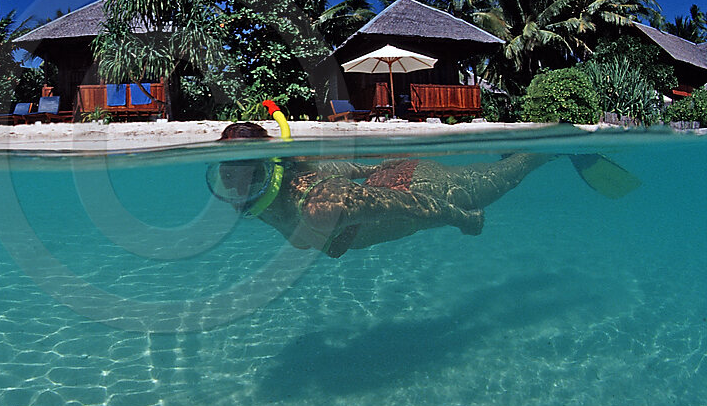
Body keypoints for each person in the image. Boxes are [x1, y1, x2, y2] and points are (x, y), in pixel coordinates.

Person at [209, 121, 559, 257]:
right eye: (225, 177)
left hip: (423, 187)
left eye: (243, 179)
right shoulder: (277, 185)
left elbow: (410, 203)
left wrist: (464, 219)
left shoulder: (320, 205)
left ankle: (549, 148)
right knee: (496, 174)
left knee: (503, 177)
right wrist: (375, 168)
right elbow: (339, 168)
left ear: (266, 174)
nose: (232, 191)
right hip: (389, 179)